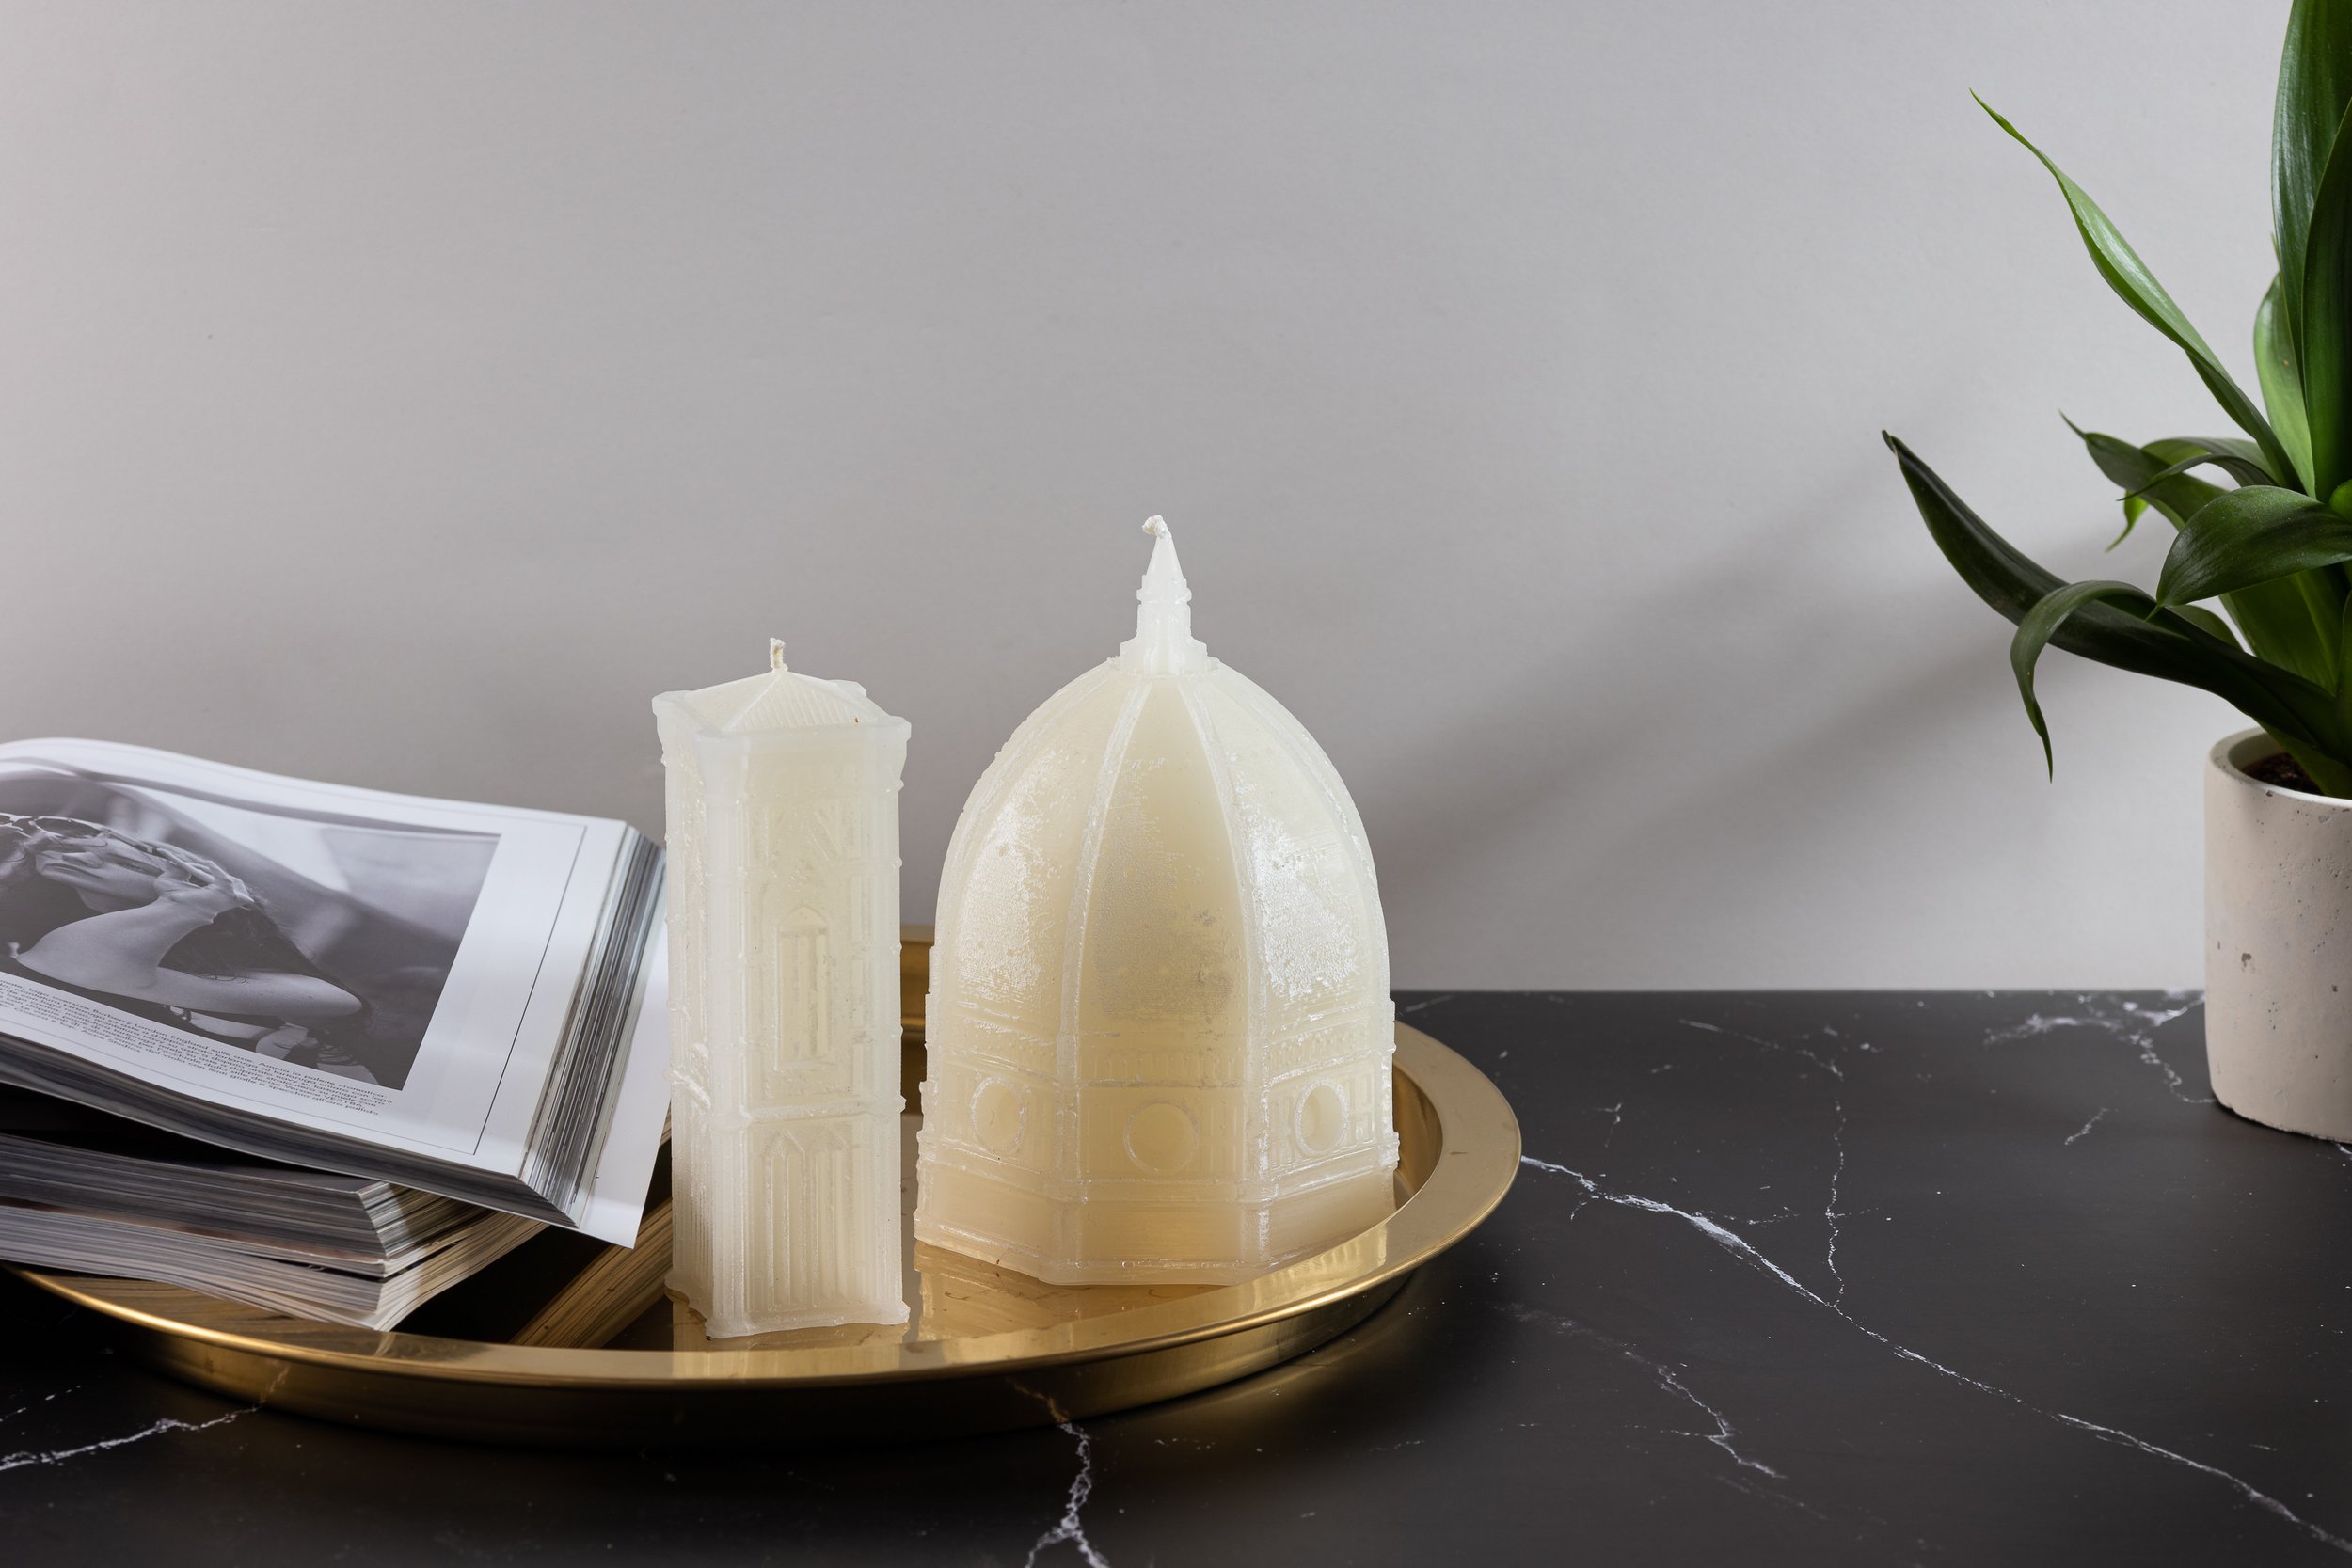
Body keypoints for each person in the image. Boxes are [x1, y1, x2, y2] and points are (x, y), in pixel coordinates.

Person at [0, 815, 381, 1085]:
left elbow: (338, 1002)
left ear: (194, 874)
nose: (78, 859)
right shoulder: (44, 949)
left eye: (111, 858)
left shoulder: (318, 994)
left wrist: (189, 906)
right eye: (55, 856)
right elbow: (87, 963)